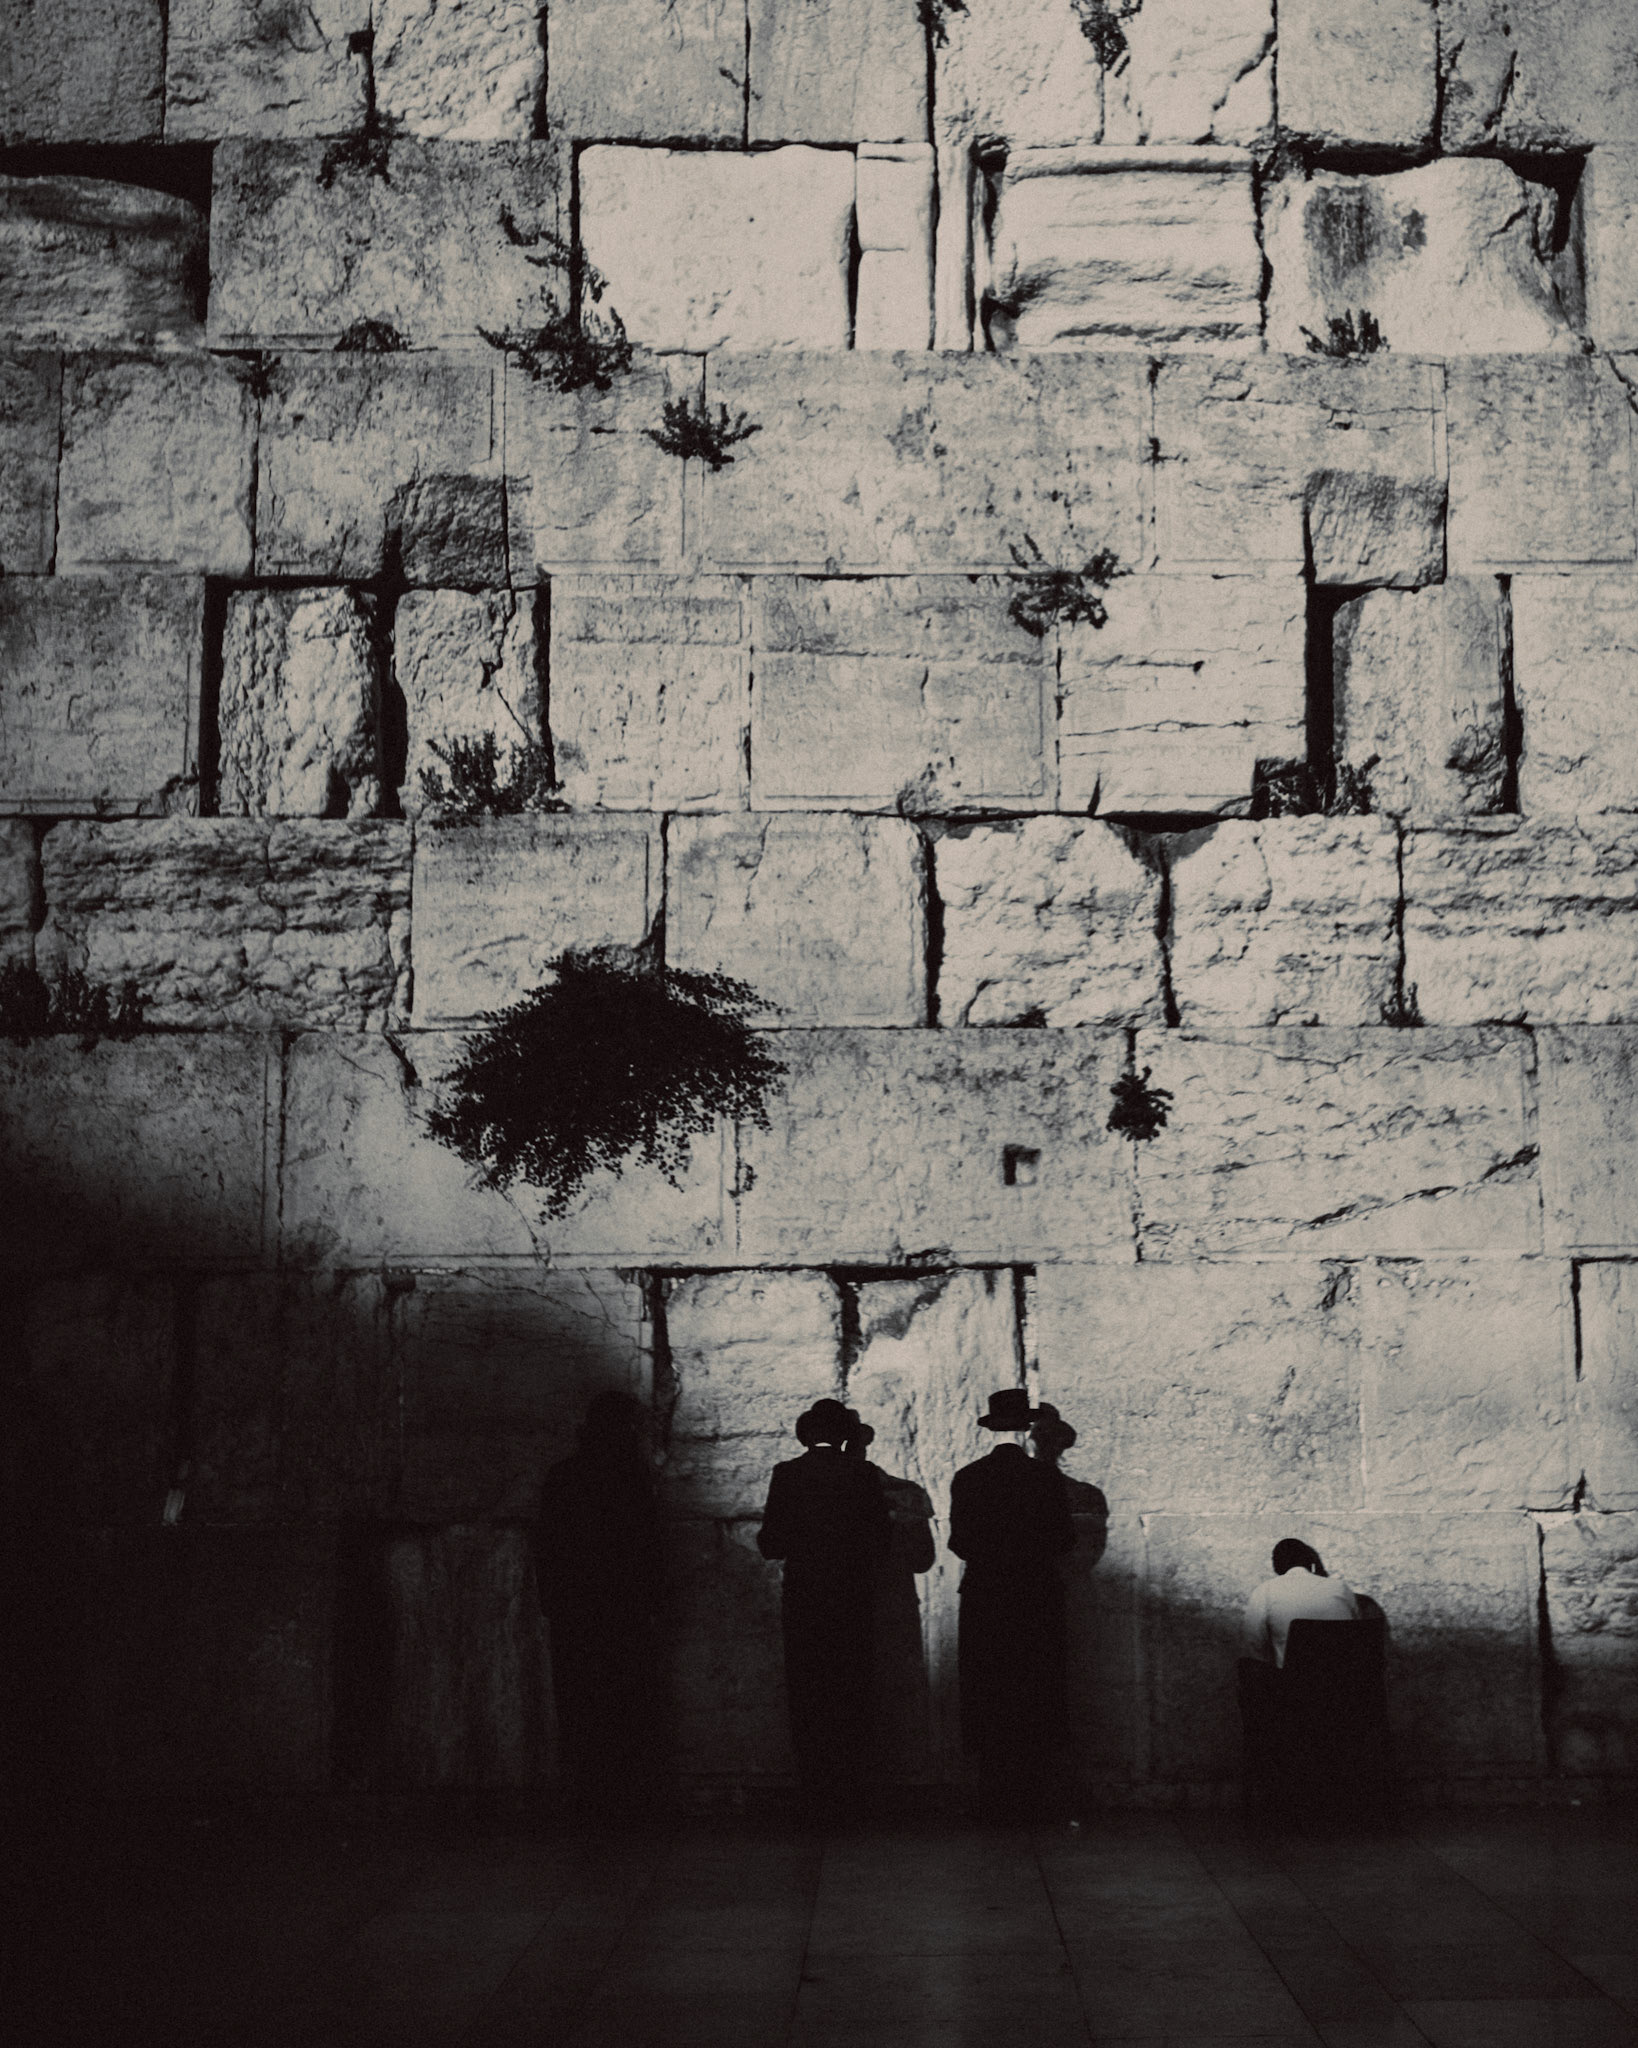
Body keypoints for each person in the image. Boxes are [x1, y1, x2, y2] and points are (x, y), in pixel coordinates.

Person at [535, 1391, 664, 1816]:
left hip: (575, 1608)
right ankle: (624, 1799)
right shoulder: (632, 1477)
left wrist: (552, 1601)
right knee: (625, 1704)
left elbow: (548, 1546)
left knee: (579, 1703)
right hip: (622, 1608)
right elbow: (648, 1549)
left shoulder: (563, 1476)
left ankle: (587, 1798)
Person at [758, 1398, 892, 1807]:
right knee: (851, 1689)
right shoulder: (863, 1475)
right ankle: (850, 1788)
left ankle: (815, 1788)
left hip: (804, 1598)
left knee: (808, 1690)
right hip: (851, 1598)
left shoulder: (787, 1474)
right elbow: (881, 1542)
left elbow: (771, 1544)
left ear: (806, 1434)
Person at [949, 1388, 1075, 1814]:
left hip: (986, 1596)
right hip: (1035, 1595)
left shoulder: (967, 1477)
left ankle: (995, 1793)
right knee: (1035, 1688)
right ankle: (1034, 1792)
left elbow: (959, 1542)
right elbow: (1064, 1540)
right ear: (1030, 1430)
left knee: (990, 1689)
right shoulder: (1047, 1480)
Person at [1242, 1538, 1360, 1668]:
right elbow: (1356, 1630)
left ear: (1276, 1566)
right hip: (1345, 1681)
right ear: (1310, 1563)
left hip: (1296, 1683)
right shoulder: (1341, 1588)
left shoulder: (1265, 1591)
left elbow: (1253, 1642)